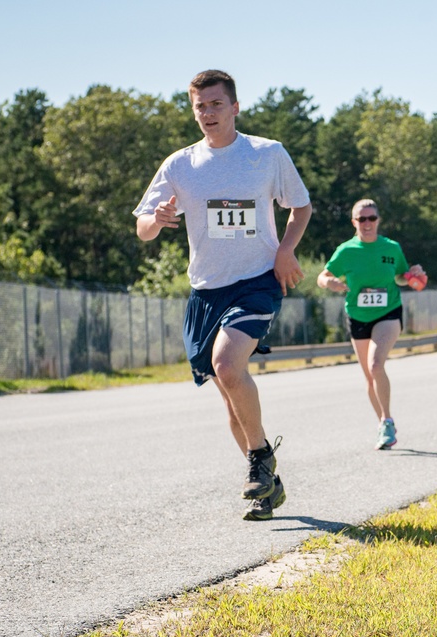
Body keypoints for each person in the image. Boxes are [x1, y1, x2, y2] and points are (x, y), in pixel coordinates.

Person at [134, 70, 312, 522]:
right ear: (193, 111)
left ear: (235, 107)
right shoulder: (180, 165)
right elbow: (143, 228)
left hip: (256, 281)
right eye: (201, 106)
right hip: (205, 292)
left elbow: (300, 205)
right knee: (232, 400)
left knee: (228, 366)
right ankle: (266, 484)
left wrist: (285, 250)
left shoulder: (266, 154)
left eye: (216, 104)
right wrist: (157, 219)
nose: (208, 113)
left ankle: (260, 460)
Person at [318, 199, 426, 449]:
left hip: (388, 312)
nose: (367, 223)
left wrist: (413, 274)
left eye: (372, 218)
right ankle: (383, 424)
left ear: (378, 221)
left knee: (376, 365)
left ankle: (387, 420)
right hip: (357, 316)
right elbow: (323, 276)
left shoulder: (391, 247)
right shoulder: (346, 250)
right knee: (369, 377)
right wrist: (329, 282)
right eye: (362, 219)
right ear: (354, 222)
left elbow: (400, 277)